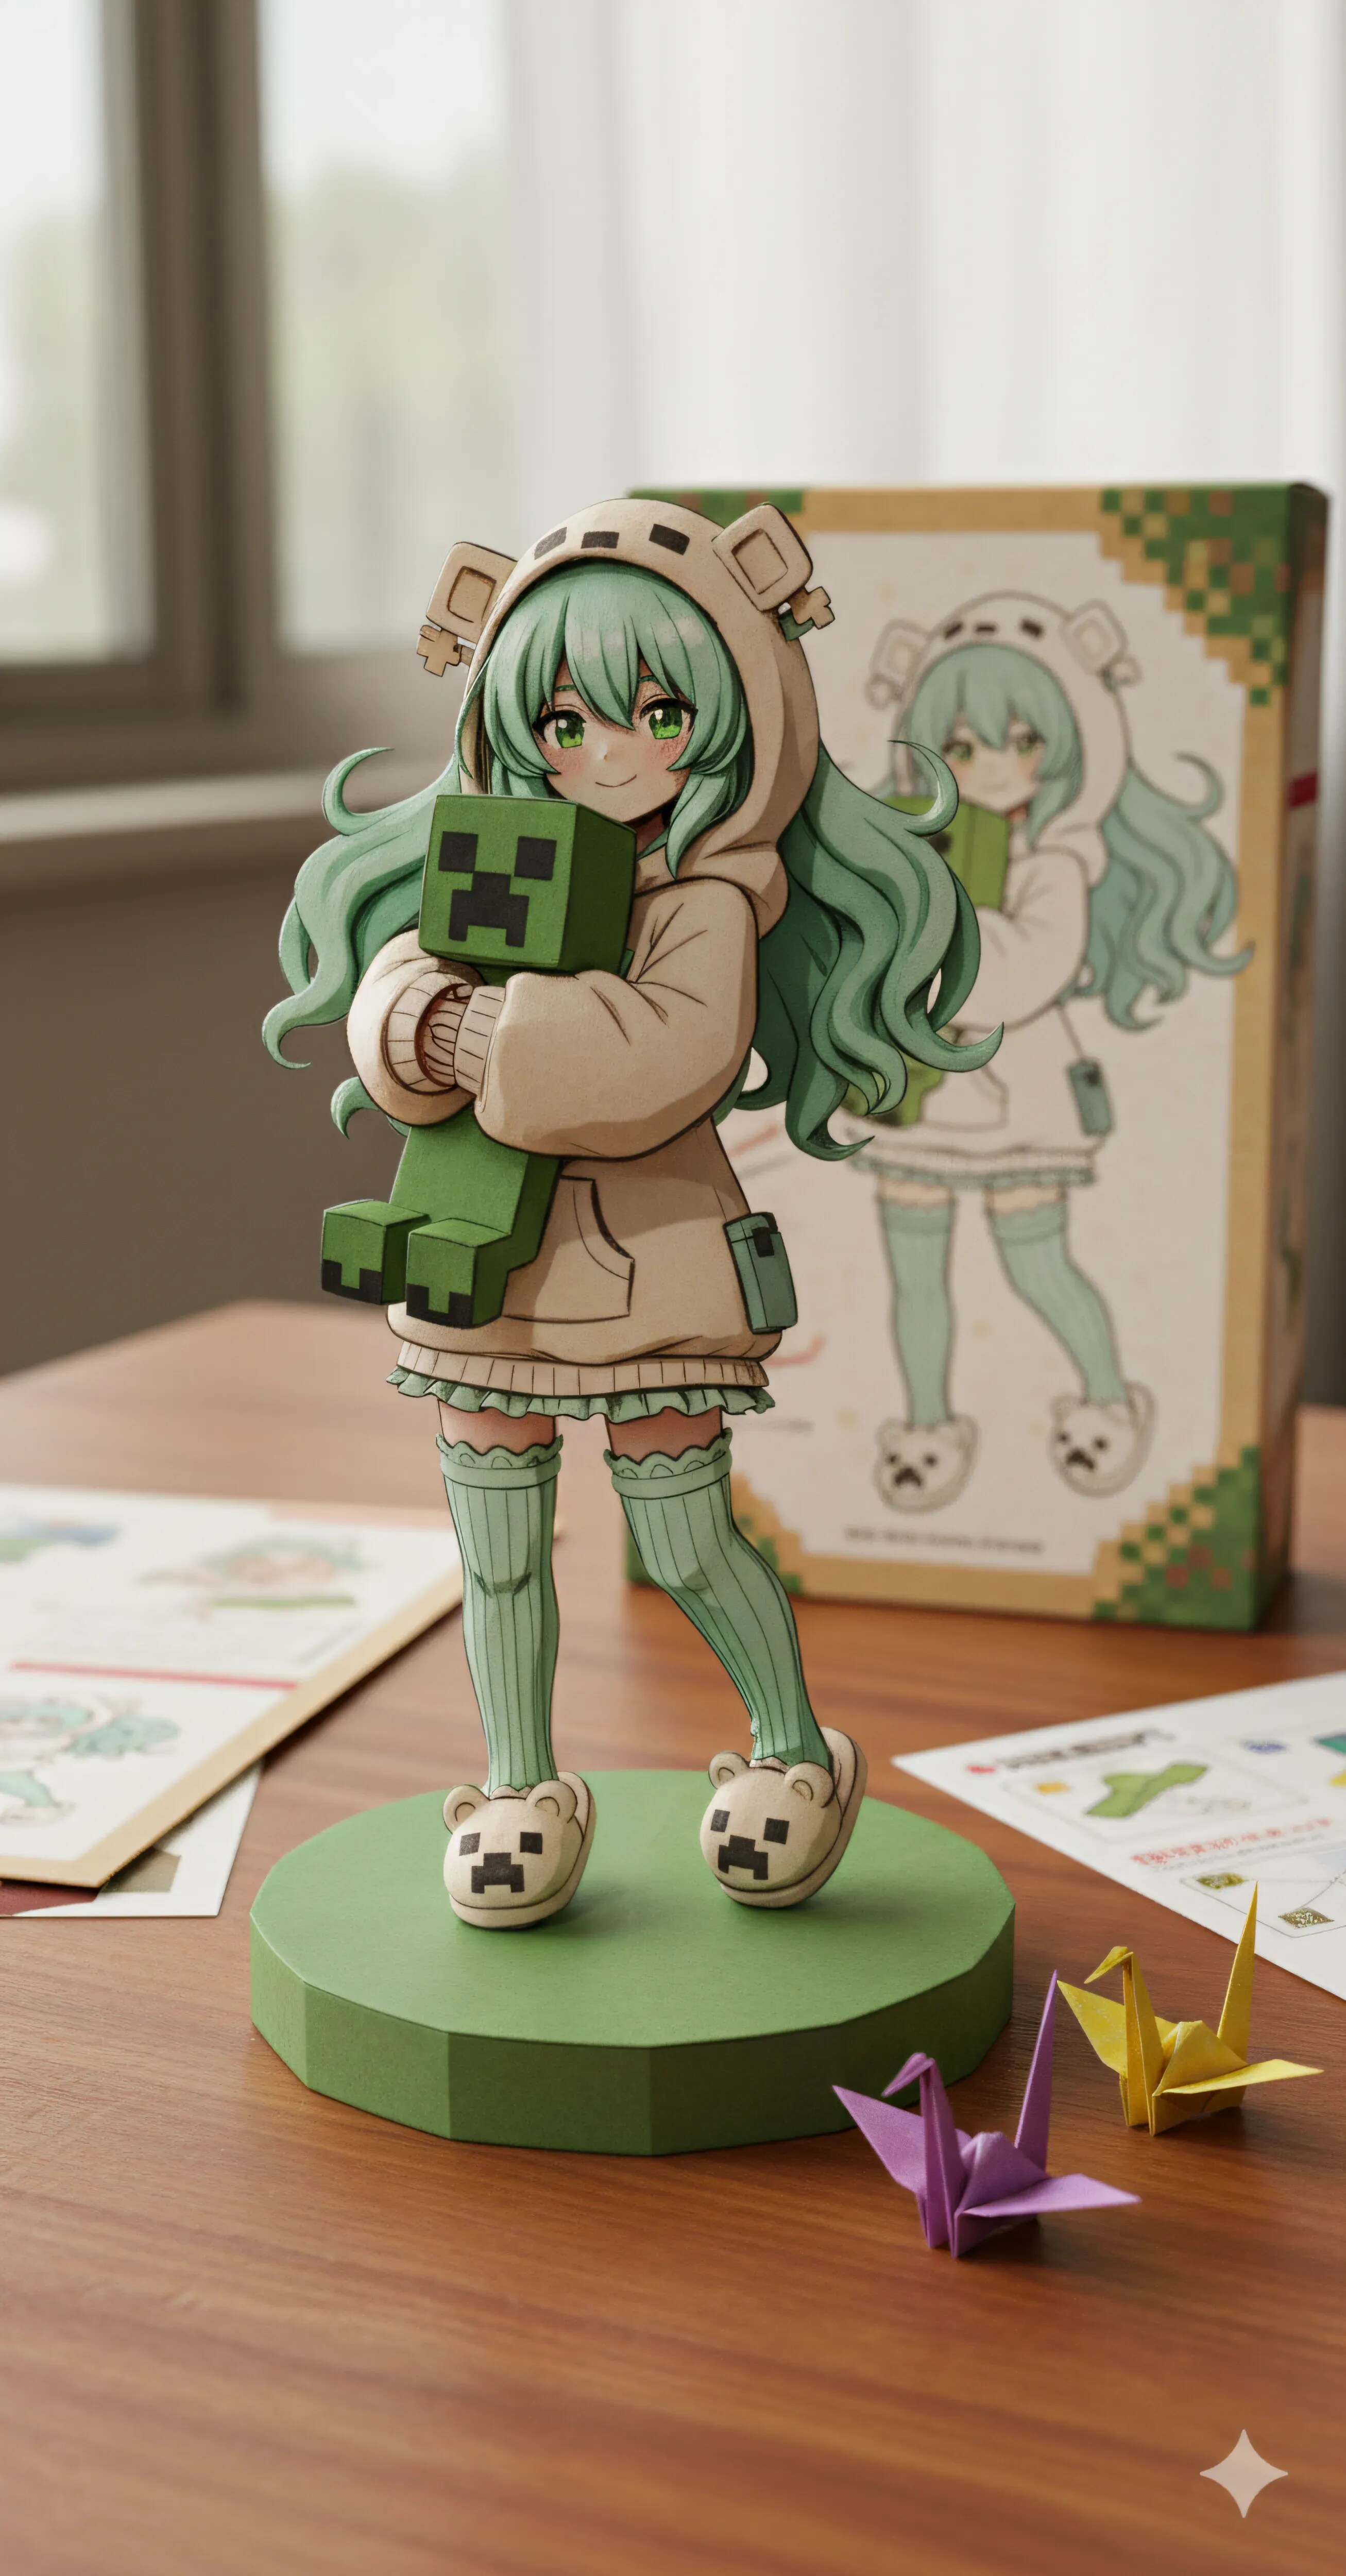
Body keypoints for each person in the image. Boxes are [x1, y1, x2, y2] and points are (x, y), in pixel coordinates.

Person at [265, 497, 994, 1926]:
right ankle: (516, 1790)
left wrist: (479, 1034)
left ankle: (790, 1751)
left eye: (658, 714)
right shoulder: (488, 861)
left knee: (678, 1538)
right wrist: (406, 1018)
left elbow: (662, 1058)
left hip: (650, 1271)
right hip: (481, 1272)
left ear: (732, 719)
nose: (607, 755)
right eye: (563, 721)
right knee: (496, 1547)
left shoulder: (710, 900)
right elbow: (397, 984)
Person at [856, 592, 1247, 1513]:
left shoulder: (1057, 863)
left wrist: (930, 922)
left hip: (1019, 1099)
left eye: (1022, 740)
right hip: (913, 1099)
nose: (991, 766)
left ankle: (1106, 1398)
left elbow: (1019, 975)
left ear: (1070, 746)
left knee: (1034, 1264)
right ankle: (926, 1425)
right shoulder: (912, 853)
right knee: (914, 1277)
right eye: (959, 747)